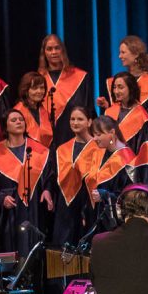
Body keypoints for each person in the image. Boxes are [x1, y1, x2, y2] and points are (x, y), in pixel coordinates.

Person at [0, 108, 54, 257]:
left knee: (36, 249)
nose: (18, 122)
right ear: (5, 127)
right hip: (11, 211)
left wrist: (47, 190)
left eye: (21, 119)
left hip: (35, 206)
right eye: (13, 120)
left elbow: (49, 176)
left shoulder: (39, 151)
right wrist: (1, 198)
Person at [50, 106, 96, 248]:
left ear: (89, 122)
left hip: (88, 201)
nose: (75, 123)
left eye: (80, 119)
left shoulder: (98, 147)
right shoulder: (62, 149)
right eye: (72, 119)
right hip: (65, 205)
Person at [84, 115, 136, 233]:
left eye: (98, 134)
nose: (94, 138)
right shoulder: (101, 153)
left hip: (116, 225)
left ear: (112, 133)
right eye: (94, 135)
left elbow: (130, 197)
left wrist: (105, 195)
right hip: (97, 217)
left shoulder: (127, 160)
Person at [39, 33, 92, 147]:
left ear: (62, 50)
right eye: (49, 49)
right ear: (44, 53)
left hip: (75, 137)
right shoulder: (38, 80)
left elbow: (89, 109)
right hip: (47, 141)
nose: (54, 52)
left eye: (57, 48)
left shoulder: (80, 77)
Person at [98, 71, 148, 151]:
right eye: (114, 87)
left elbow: (143, 148)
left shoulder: (141, 116)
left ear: (131, 88)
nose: (116, 91)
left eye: (120, 87)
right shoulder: (110, 111)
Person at [114, 35, 148, 111]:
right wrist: (107, 106)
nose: (119, 56)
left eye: (123, 52)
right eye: (120, 52)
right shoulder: (119, 80)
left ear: (136, 54)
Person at [13, 71, 53, 148]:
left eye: (42, 88)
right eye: (34, 88)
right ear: (25, 90)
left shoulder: (45, 111)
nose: (39, 91)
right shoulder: (17, 112)